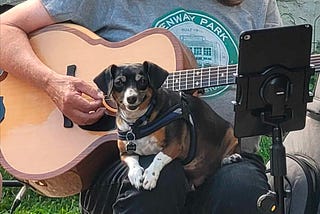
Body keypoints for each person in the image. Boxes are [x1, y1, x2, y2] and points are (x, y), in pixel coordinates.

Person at [0, 0, 283, 213]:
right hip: (122, 162)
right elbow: (5, 29)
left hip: (222, 156)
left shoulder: (257, 4)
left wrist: (275, 93)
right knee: (160, 179)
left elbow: (284, 73)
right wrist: (52, 84)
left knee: (242, 189)